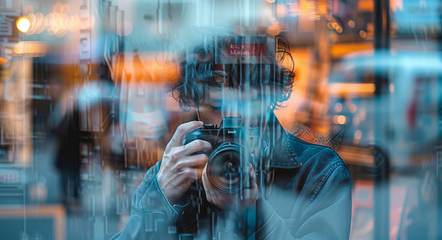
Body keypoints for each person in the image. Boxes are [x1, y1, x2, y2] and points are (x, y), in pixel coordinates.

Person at [111, 34, 352, 239]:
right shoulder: (174, 174)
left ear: (269, 100)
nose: (233, 121)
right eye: (218, 108)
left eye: (247, 107)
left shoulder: (318, 173)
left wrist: (256, 217)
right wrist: (161, 199)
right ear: (195, 107)